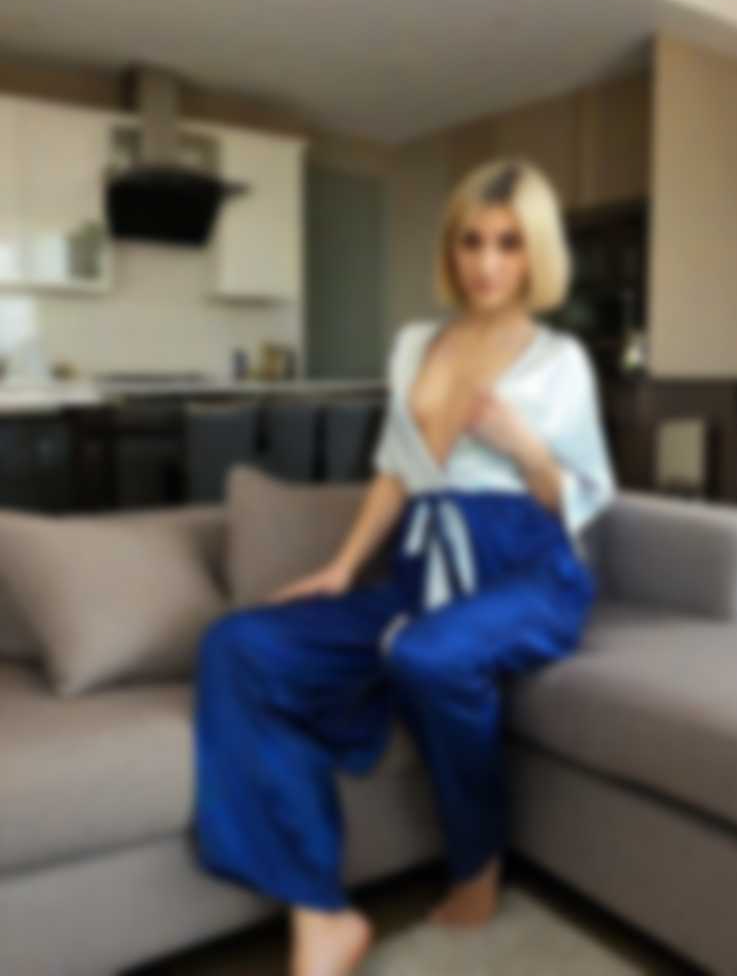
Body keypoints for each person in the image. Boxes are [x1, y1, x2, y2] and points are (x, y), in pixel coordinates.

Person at [192, 155, 618, 976]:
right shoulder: (417, 344)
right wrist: (343, 567)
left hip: (531, 571)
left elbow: (582, 497)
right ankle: (321, 912)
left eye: (509, 244)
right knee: (237, 645)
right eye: (472, 241)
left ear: (535, 253)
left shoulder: (558, 359)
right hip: (423, 572)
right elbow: (396, 469)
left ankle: (478, 865)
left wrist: (527, 449)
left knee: (426, 653)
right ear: (450, 248)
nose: (487, 263)